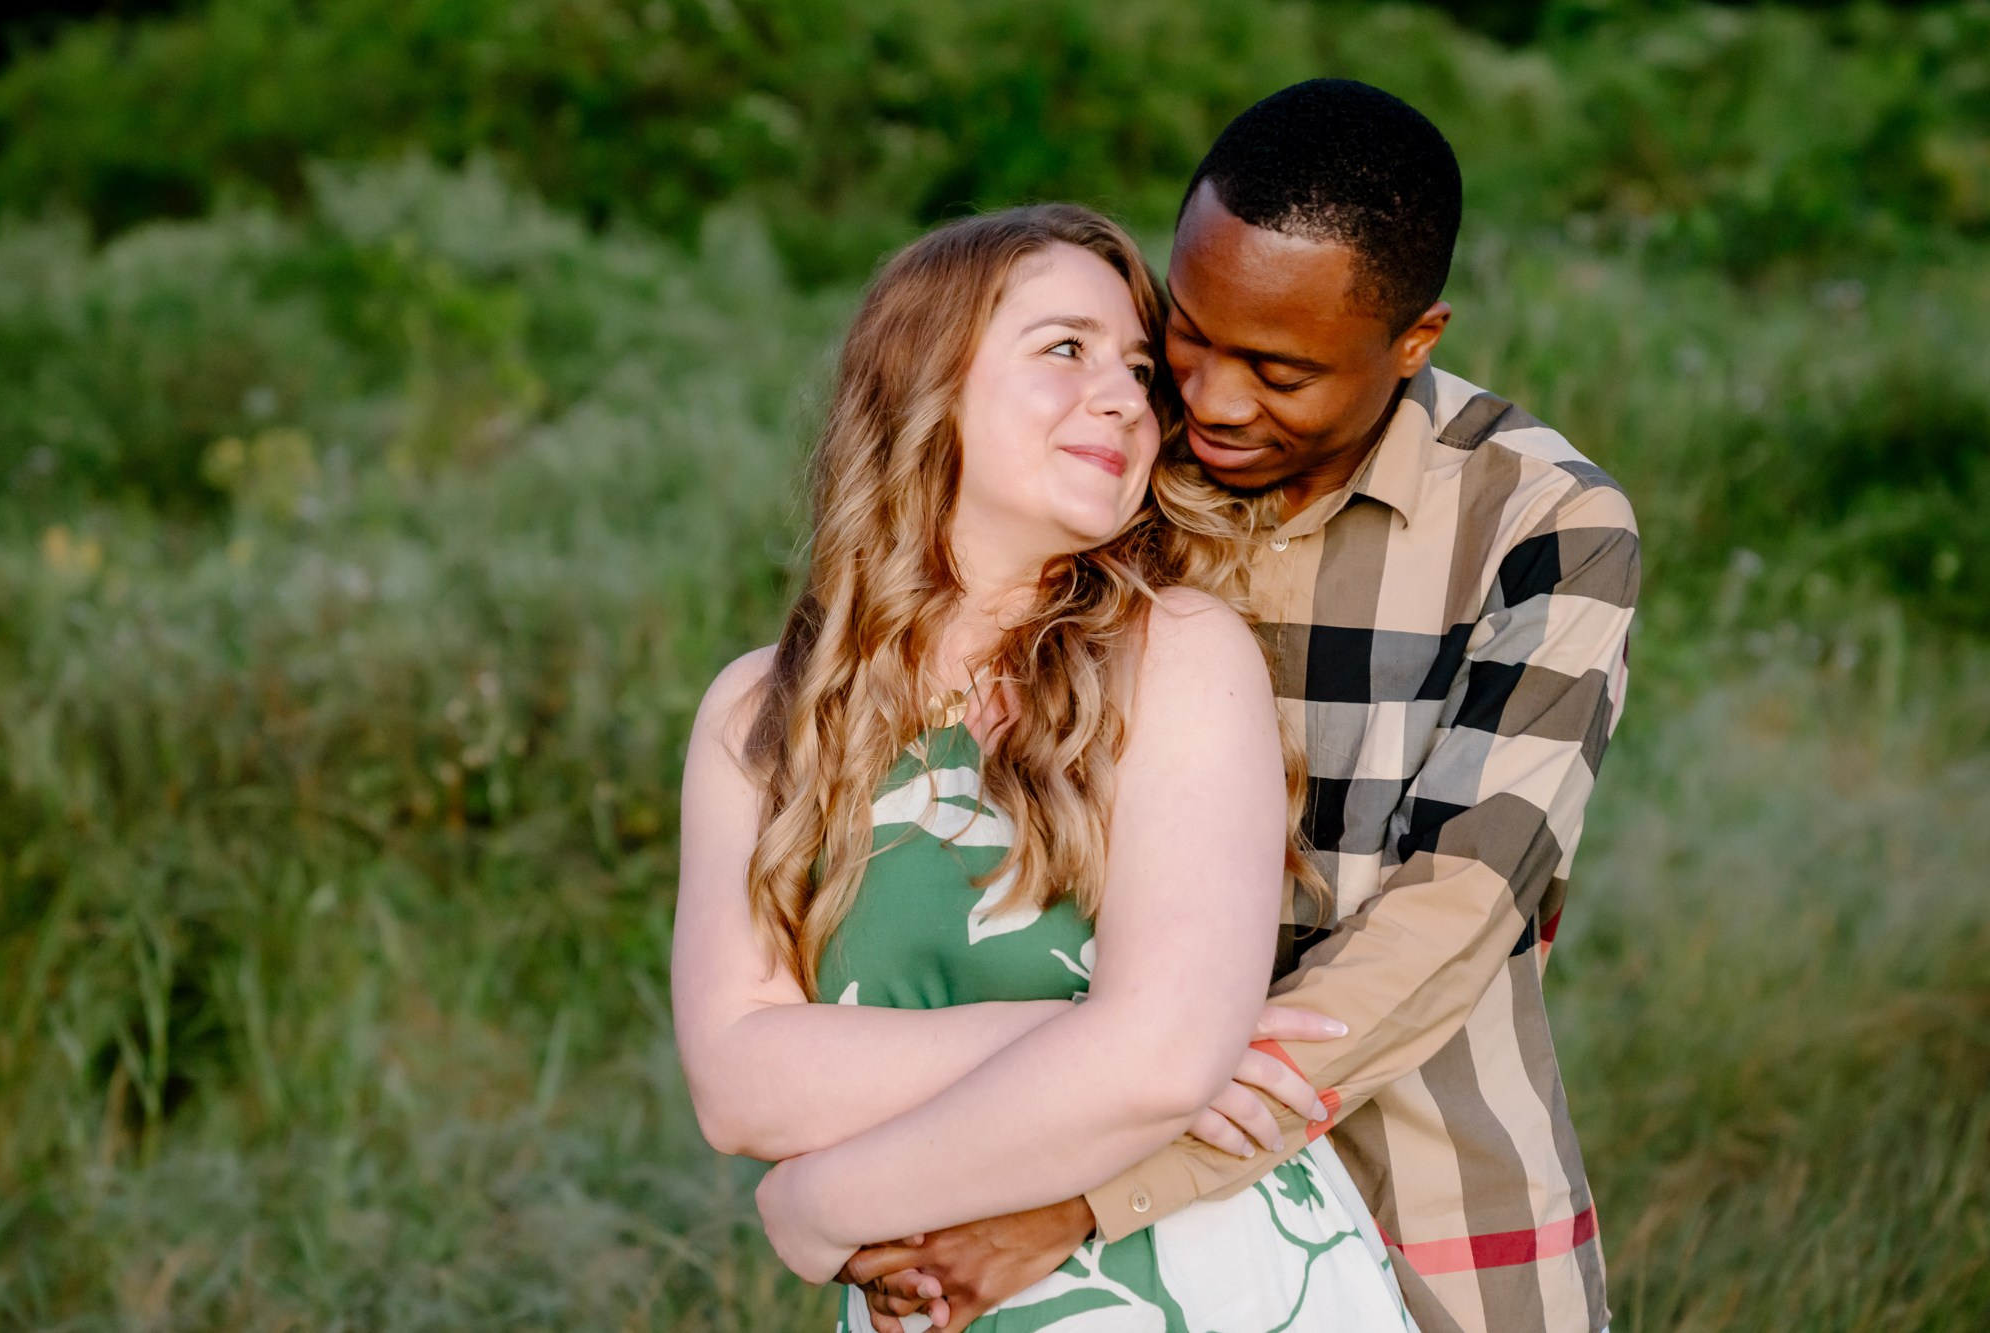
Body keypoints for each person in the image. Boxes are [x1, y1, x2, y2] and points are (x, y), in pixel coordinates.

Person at [841, 80, 1638, 1333]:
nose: (1206, 402)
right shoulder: (1108, 456)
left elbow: (1456, 911)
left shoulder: (1541, 523)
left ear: (1413, 341)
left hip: (1422, 1196)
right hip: (1052, 1185)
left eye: (1276, 371)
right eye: (1189, 337)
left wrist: (1108, 1182)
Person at [671, 203, 1419, 1328]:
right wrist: (1093, 1036)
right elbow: (735, 1085)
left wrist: (820, 1202)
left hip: (1195, 1280)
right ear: (925, 379)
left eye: (1133, 367)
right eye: (1064, 349)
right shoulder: (759, 711)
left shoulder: (1175, 654)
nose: (1124, 396)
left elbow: (1161, 1061)